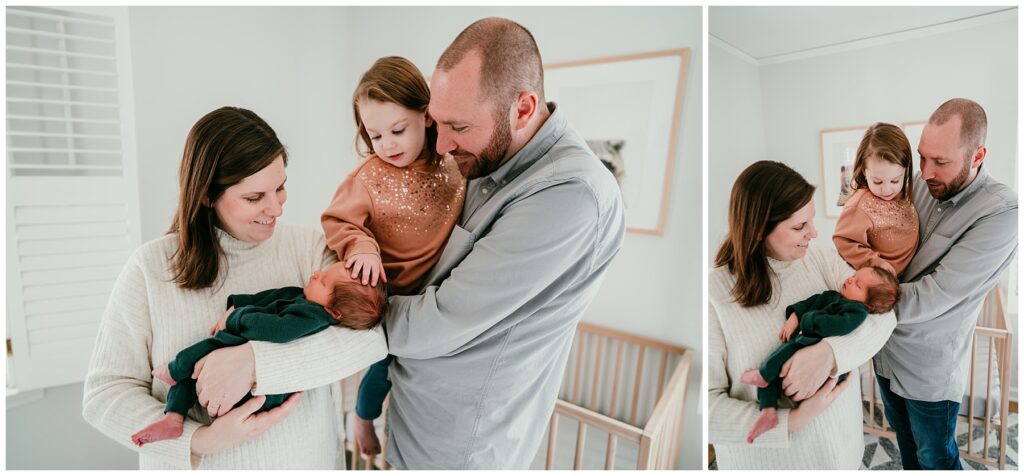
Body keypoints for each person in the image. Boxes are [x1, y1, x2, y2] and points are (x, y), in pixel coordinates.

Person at [82, 107, 387, 469]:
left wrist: (255, 363)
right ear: (206, 195)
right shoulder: (149, 268)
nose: (276, 208)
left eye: (280, 188)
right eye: (254, 198)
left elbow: (370, 338)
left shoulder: (311, 250)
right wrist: (201, 440)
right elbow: (104, 394)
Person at [379, 17, 624, 469]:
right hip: (410, 420)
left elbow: (440, 320)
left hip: (458, 449)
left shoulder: (570, 195)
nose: (442, 144)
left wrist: (343, 308)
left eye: (458, 126)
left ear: (523, 109)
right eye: (436, 122)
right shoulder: (485, 156)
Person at [319, 56, 466, 456]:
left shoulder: (453, 163)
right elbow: (338, 220)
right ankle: (363, 417)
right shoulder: (368, 177)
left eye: (398, 130)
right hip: (395, 295)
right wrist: (362, 246)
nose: (387, 145)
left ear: (427, 115)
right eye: (375, 135)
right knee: (382, 365)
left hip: (440, 293)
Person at [708, 160, 896, 469]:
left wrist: (829, 355)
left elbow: (884, 316)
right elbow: (708, 408)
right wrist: (792, 421)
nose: (814, 233)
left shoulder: (821, 260)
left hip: (844, 455)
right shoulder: (714, 294)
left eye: (811, 220)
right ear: (759, 230)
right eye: (799, 227)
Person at [874, 98, 1018, 470]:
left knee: (935, 458)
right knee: (906, 447)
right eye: (922, 157)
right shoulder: (920, 184)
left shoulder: (1001, 212)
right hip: (884, 353)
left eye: (940, 162)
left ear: (978, 155)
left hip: (928, 371)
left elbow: (935, 294)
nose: (925, 172)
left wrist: (859, 301)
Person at [131, 262, 387, 447]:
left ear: (334, 312)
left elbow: (276, 330)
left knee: (206, 352)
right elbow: (268, 298)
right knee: (203, 365)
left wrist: (236, 317)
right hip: (237, 393)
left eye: (323, 281)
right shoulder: (303, 297)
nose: (315, 273)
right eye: (323, 271)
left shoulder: (313, 316)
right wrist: (238, 304)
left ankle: (175, 369)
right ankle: (174, 418)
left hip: (260, 396)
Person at [742, 266, 900, 443]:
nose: (850, 280)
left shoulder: (856, 312)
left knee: (782, 356)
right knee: (776, 369)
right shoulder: (831, 296)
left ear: (869, 305)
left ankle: (763, 375)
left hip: (819, 357)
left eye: (858, 284)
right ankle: (768, 411)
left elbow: (835, 326)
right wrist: (795, 318)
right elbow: (809, 303)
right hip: (805, 343)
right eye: (854, 276)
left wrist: (808, 320)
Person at [832, 122, 919, 277]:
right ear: (864, 172)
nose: (887, 190)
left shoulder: (906, 194)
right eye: (877, 182)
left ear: (905, 171)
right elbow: (843, 240)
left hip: (912, 276)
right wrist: (875, 263)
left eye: (895, 181)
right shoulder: (860, 205)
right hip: (881, 281)